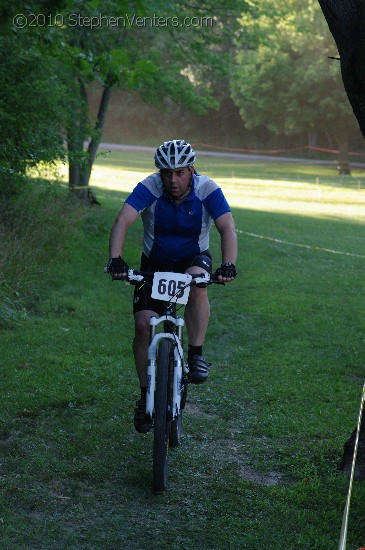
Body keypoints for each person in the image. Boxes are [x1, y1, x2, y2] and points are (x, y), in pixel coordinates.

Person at [107, 139, 237, 432]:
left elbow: (226, 226)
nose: (173, 179)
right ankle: (145, 397)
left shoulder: (208, 189)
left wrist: (228, 264)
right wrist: (116, 259)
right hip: (155, 264)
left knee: (197, 282)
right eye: (167, 173)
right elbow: (123, 219)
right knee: (143, 325)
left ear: (192, 170)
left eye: (179, 172)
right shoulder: (150, 187)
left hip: (194, 257)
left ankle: (196, 353)